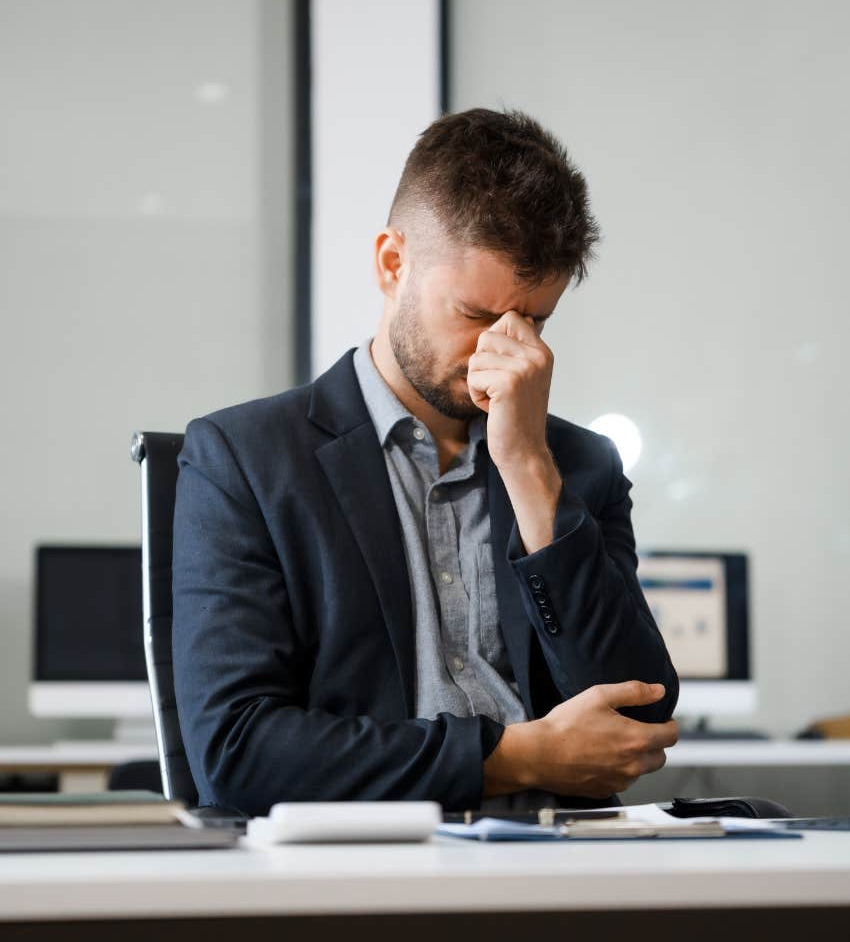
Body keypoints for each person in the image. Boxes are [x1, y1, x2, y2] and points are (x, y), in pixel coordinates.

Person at [172, 107, 679, 817]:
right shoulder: (245, 460)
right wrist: (516, 757)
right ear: (392, 264)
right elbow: (237, 752)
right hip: (363, 870)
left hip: (558, 871)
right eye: (475, 315)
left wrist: (530, 469)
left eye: (535, 321)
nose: (506, 350)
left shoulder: (577, 466)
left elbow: (640, 717)